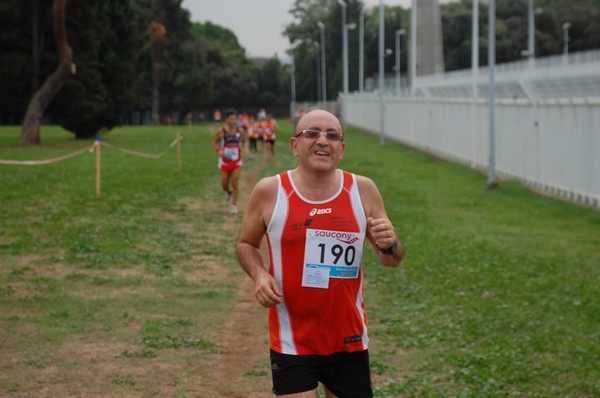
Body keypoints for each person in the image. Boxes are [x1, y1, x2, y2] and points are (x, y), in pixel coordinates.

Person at [236, 109, 404, 397]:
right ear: (294, 145)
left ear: (342, 149)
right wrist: (259, 274)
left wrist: (390, 242)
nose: (322, 141)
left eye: (332, 135)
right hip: (293, 339)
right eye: (312, 133)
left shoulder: (362, 190)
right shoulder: (270, 192)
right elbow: (246, 244)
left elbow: (391, 259)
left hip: (348, 338)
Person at [212, 109, 248, 214]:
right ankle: (229, 192)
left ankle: (234, 205)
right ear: (227, 119)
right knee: (224, 185)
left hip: (236, 161)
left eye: (235, 119)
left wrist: (244, 148)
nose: (233, 121)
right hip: (225, 162)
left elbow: (244, 141)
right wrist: (219, 150)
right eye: (231, 119)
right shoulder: (221, 131)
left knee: (235, 182)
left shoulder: (240, 131)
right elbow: (214, 143)